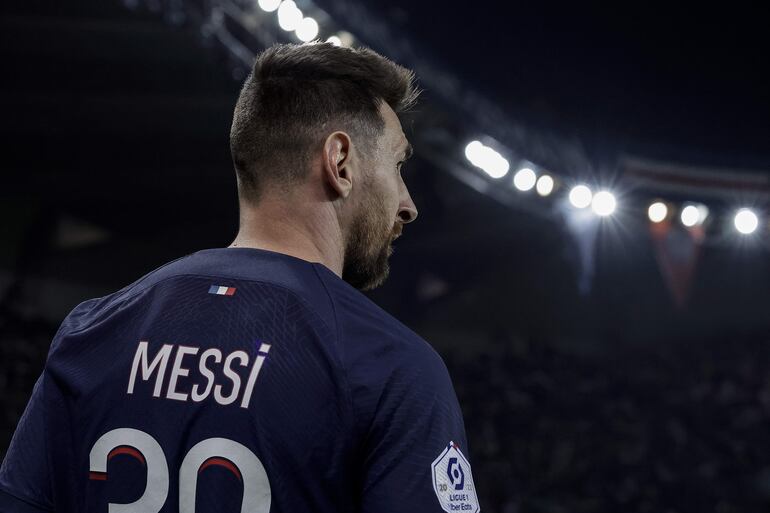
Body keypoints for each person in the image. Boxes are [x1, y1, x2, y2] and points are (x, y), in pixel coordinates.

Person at [0, 42, 479, 513]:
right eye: (397, 166)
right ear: (340, 162)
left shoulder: (94, 330)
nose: (408, 204)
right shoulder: (390, 368)